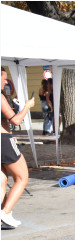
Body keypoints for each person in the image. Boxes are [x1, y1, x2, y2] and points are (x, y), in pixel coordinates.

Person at [1, 67, 34, 229]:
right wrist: (27, 106)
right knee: (22, 178)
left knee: (2, 181)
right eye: (3, 78)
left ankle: (3, 213)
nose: (6, 82)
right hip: (3, 140)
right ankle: (5, 212)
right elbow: (15, 121)